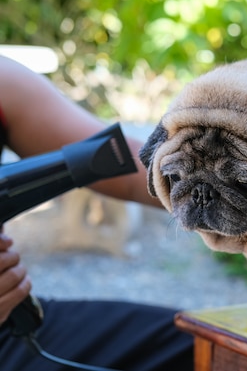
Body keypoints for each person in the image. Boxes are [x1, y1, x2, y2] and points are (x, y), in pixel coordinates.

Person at [0, 55, 194, 371]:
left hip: (9, 328)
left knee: (201, 347)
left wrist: (238, 191)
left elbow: (121, 163)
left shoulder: (4, 84)